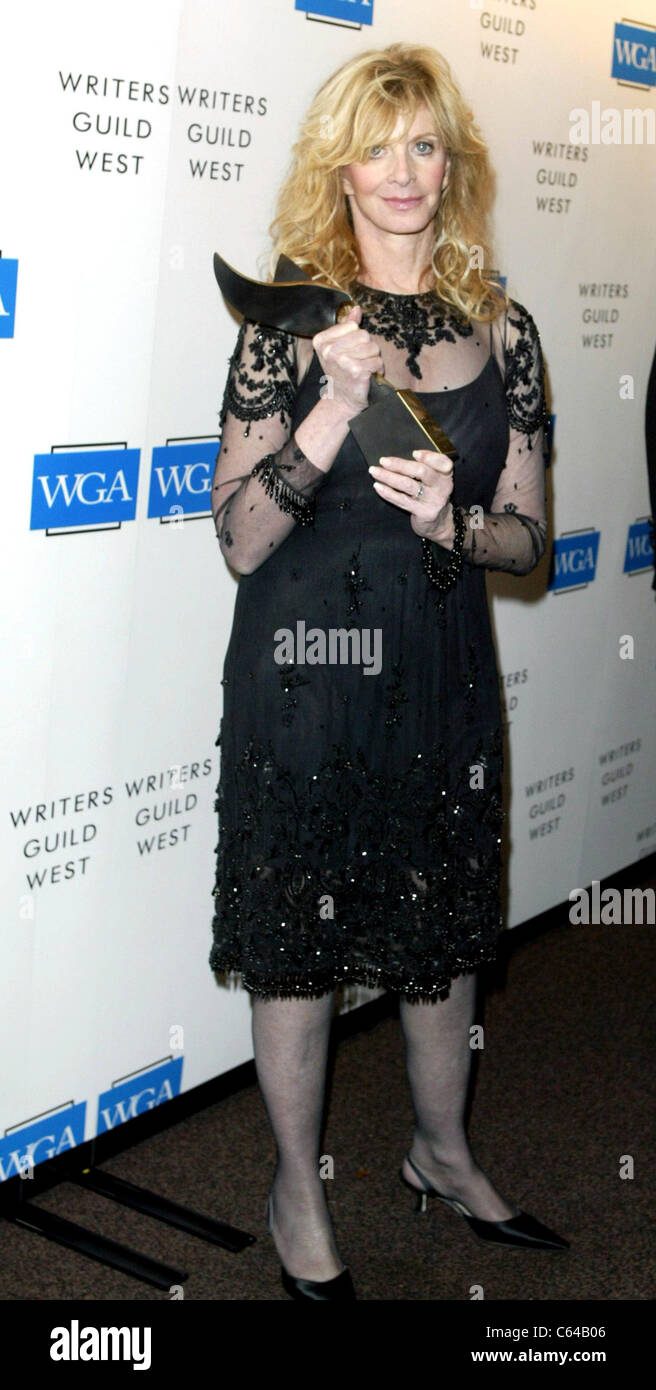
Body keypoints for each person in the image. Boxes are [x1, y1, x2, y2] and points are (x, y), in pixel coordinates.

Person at [208, 42, 568, 1301]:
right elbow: (243, 535)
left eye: (422, 144)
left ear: (447, 161)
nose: (401, 171)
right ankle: (294, 1188)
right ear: (338, 165)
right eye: (376, 143)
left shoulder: (503, 329)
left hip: (441, 676)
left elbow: (527, 539)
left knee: (436, 938)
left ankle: (440, 1151)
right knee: (297, 947)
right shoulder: (290, 320)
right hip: (305, 676)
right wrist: (324, 409)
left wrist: (450, 529)